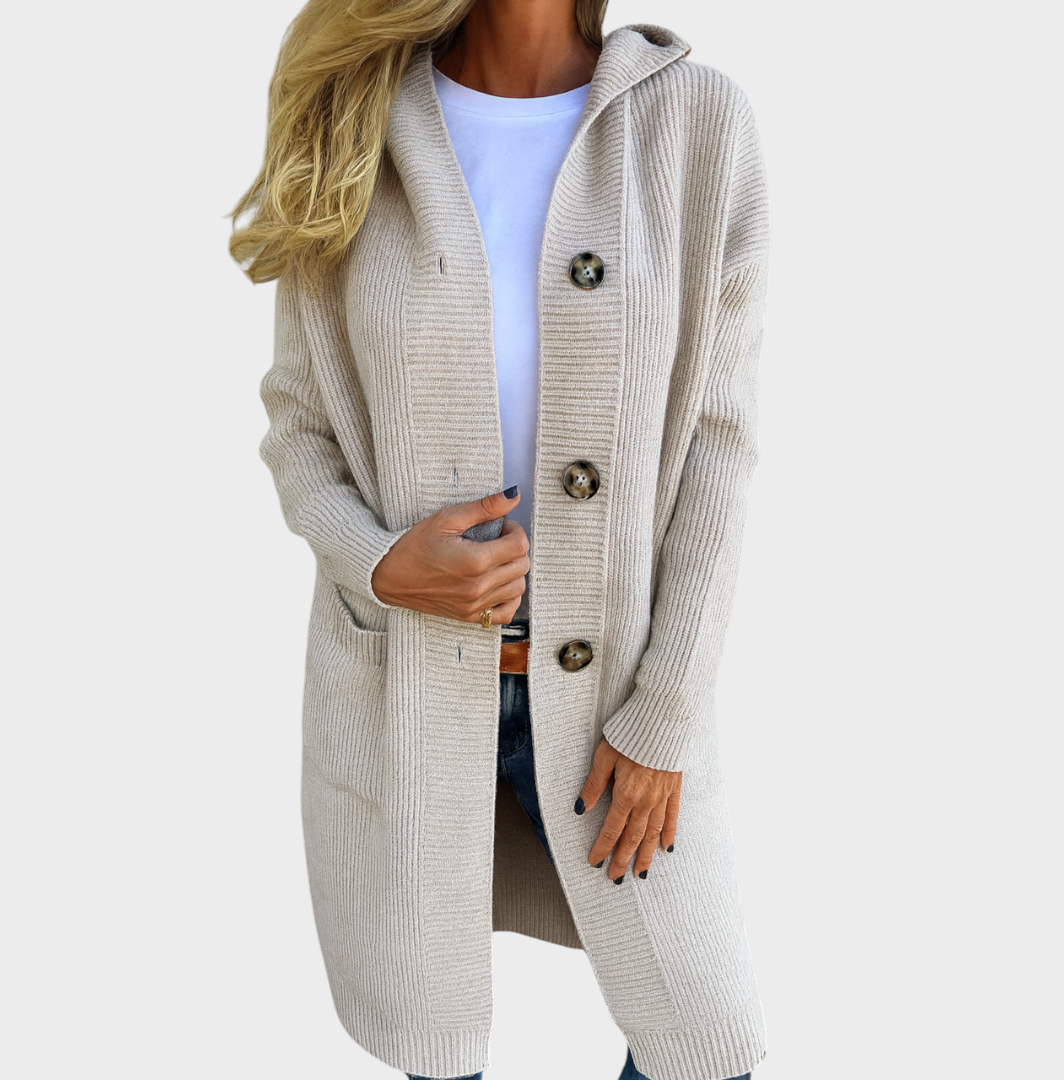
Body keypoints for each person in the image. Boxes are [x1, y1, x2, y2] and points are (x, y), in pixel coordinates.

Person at [230, 2, 768, 1078]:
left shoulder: (695, 122)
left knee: (706, 1049)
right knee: (437, 1048)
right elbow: (300, 424)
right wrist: (383, 564)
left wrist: (663, 714)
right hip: (404, 702)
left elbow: (720, 444)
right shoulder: (357, 116)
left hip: (617, 713)